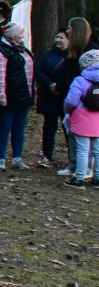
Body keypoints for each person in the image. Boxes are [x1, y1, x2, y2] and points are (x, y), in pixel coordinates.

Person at [0, 22, 35, 171]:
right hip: (9, 97)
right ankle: (0, 159)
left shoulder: (23, 50)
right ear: (12, 35)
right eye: (20, 33)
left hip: (24, 96)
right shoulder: (0, 52)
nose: (22, 36)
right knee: (5, 126)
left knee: (19, 128)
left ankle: (17, 158)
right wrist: (1, 95)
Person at [36, 29, 75, 169]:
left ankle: (73, 158)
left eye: (61, 38)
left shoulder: (73, 56)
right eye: (57, 37)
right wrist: (49, 84)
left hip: (66, 97)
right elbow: (39, 71)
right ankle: (47, 155)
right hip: (49, 96)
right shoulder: (48, 54)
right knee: (49, 127)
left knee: (68, 127)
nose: (58, 40)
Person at [63, 49, 99, 188]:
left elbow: (71, 101)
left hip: (82, 119)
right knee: (97, 150)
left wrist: (68, 111)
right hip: (97, 120)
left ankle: (79, 178)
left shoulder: (80, 80)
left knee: (82, 150)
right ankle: (97, 178)